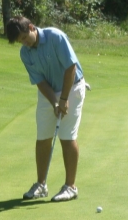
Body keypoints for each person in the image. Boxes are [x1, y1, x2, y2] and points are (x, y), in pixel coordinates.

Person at [6, 16, 88, 201]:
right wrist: (55, 102)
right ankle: (41, 185)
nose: (24, 44)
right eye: (20, 42)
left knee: (67, 137)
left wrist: (64, 99)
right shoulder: (25, 54)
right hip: (49, 91)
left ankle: (70, 187)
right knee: (43, 137)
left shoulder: (55, 37)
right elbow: (40, 81)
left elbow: (70, 67)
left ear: (32, 27)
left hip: (72, 87)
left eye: (25, 38)